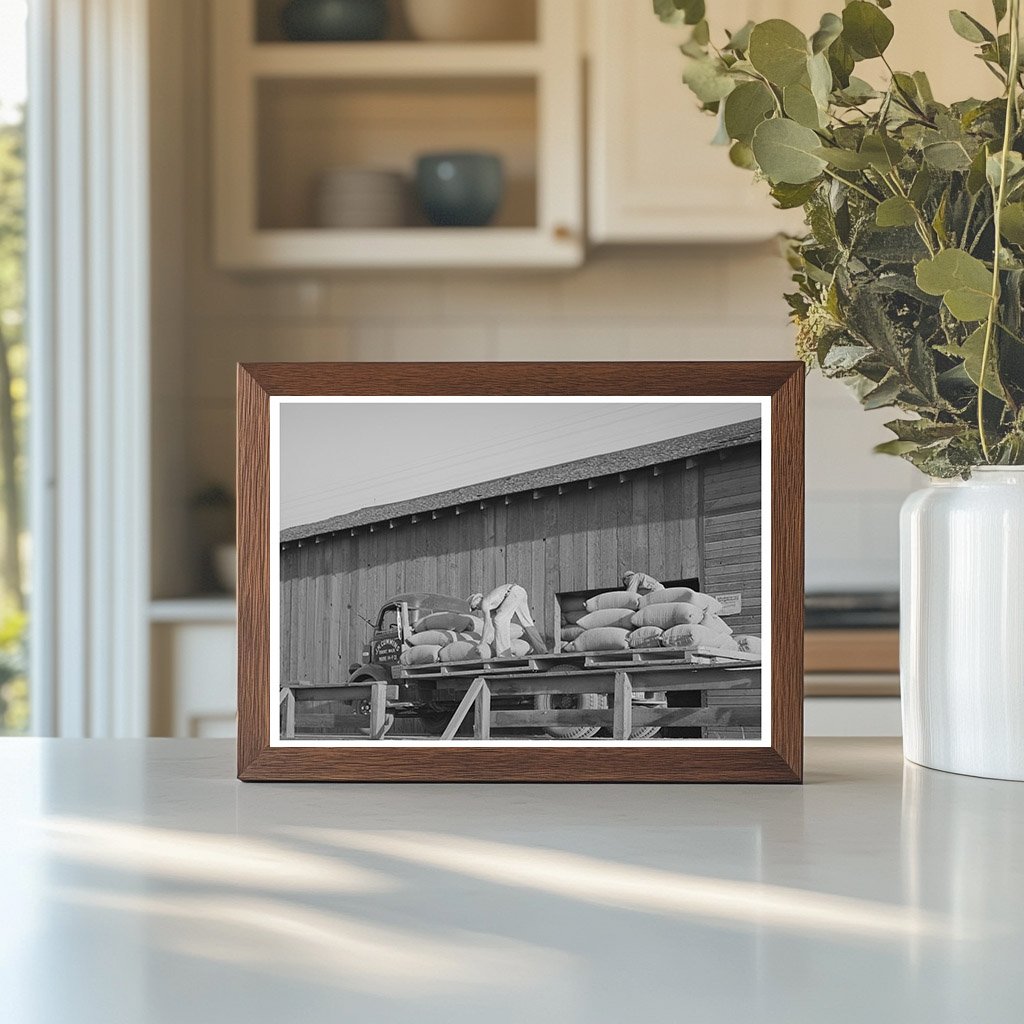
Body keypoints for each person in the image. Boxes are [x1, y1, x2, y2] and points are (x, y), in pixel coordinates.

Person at [469, 584, 548, 658]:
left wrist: (482, 643)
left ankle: (504, 655)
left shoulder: (485, 602)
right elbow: (491, 626)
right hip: (519, 591)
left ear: (478, 598)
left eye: (474, 606)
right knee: (527, 623)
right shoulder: (491, 603)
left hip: (513, 592)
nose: (476, 608)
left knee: (499, 620)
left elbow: (487, 625)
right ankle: (542, 650)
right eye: (474, 609)